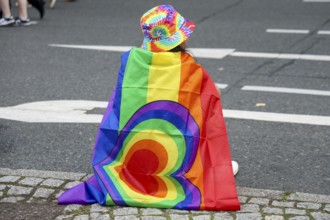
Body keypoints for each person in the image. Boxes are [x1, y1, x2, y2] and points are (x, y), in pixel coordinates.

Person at [58, 4, 240, 211]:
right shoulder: (188, 67)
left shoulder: (132, 61)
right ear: (180, 38)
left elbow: (120, 106)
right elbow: (212, 96)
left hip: (134, 154)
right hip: (178, 157)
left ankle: (134, 177)